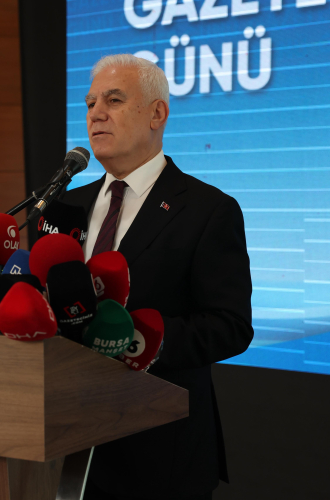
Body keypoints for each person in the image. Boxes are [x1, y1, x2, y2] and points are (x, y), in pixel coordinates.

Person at [63, 54, 254, 500]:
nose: (96, 114)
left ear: (157, 113)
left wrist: (142, 339)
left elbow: (230, 326)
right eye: (90, 103)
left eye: (113, 100)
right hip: (67, 442)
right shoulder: (66, 206)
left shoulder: (208, 210)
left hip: (158, 456)